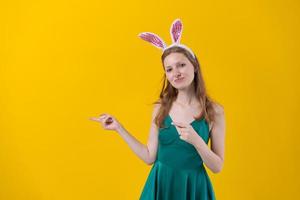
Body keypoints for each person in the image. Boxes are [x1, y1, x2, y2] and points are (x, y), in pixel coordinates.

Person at [90, 19, 225, 200]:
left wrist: (196, 141)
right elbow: (149, 157)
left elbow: (217, 166)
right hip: (160, 185)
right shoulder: (161, 108)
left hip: (193, 188)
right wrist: (118, 128)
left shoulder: (214, 111)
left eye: (181, 65)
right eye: (169, 69)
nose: (175, 72)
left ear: (194, 66)